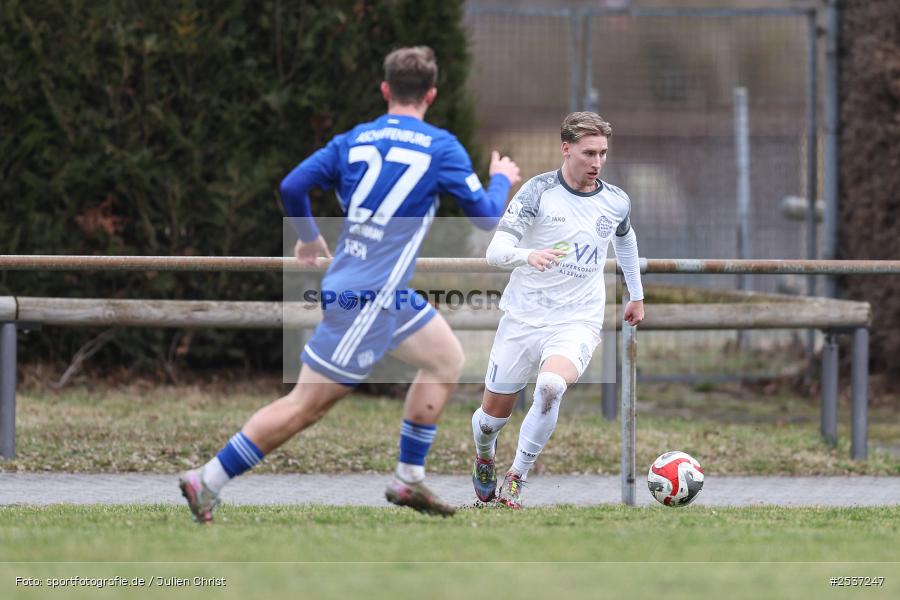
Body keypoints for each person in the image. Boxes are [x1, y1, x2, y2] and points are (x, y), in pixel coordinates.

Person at [179, 46, 520, 522]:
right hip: (370, 297)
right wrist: (501, 178)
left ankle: (408, 478)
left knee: (445, 358)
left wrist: (309, 238)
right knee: (304, 407)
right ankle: (207, 479)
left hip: (377, 290)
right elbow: (486, 217)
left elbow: (292, 186)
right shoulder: (441, 147)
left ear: (385, 90)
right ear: (432, 94)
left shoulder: (353, 140)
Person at [470, 111, 644, 508]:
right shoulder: (537, 192)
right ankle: (484, 454)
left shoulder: (616, 201)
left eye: (602, 153)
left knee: (551, 387)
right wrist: (528, 255)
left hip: (576, 319)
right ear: (566, 149)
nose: (597, 163)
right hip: (524, 317)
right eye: (588, 153)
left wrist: (636, 294)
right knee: (490, 420)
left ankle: (517, 477)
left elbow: (626, 240)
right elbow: (495, 252)